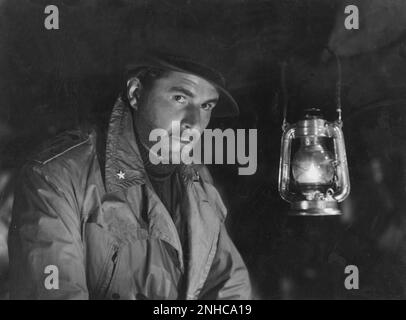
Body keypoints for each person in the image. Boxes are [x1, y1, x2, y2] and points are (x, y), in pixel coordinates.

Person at [8, 52, 252, 300]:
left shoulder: (196, 177)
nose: (195, 122)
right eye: (180, 98)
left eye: (206, 106)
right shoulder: (56, 178)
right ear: (136, 94)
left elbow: (230, 287)